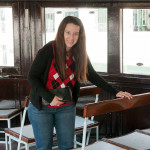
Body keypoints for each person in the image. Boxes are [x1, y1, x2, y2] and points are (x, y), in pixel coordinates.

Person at [27, 16, 133, 150]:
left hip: (66, 108)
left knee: (67, 146)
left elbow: (93, 76)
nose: (71, 37)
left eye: (76, 33)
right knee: (44, 147)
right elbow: (32, 77)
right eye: (68, 32)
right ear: (61, 32)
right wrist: (50, 97)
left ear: (80, 35)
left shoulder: (80, 54)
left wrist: (116, 92)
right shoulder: (48, 49)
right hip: (42, 108)